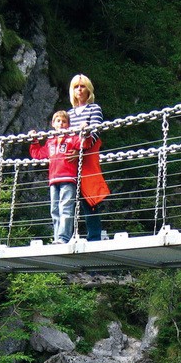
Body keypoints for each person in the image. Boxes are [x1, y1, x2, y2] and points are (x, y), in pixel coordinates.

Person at [29, 110, 84, 244]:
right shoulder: (50, 141)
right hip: (53, 179)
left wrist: (84, 131)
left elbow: (84, 144)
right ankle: (57, 238)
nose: (61, 124)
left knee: (65, 207)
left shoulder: (72, 138)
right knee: (54, 209)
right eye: (58, 121)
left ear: (69, 125)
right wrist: (34, 140)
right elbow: (38, 154)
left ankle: (63, 238)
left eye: (64, 121)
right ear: (53, 124)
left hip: (68, 178)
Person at [67, 74, 110, 241]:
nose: (79, 89)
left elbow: (95, 132)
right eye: (76, 87)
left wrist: (80, 151)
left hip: (86, 158)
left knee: (89, 199)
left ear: (88, 89)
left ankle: (94, 236)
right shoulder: (69, 113)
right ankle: (66, 236)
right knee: (68, 199)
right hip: (70, 160)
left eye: (82, 86)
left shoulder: (94, 109)